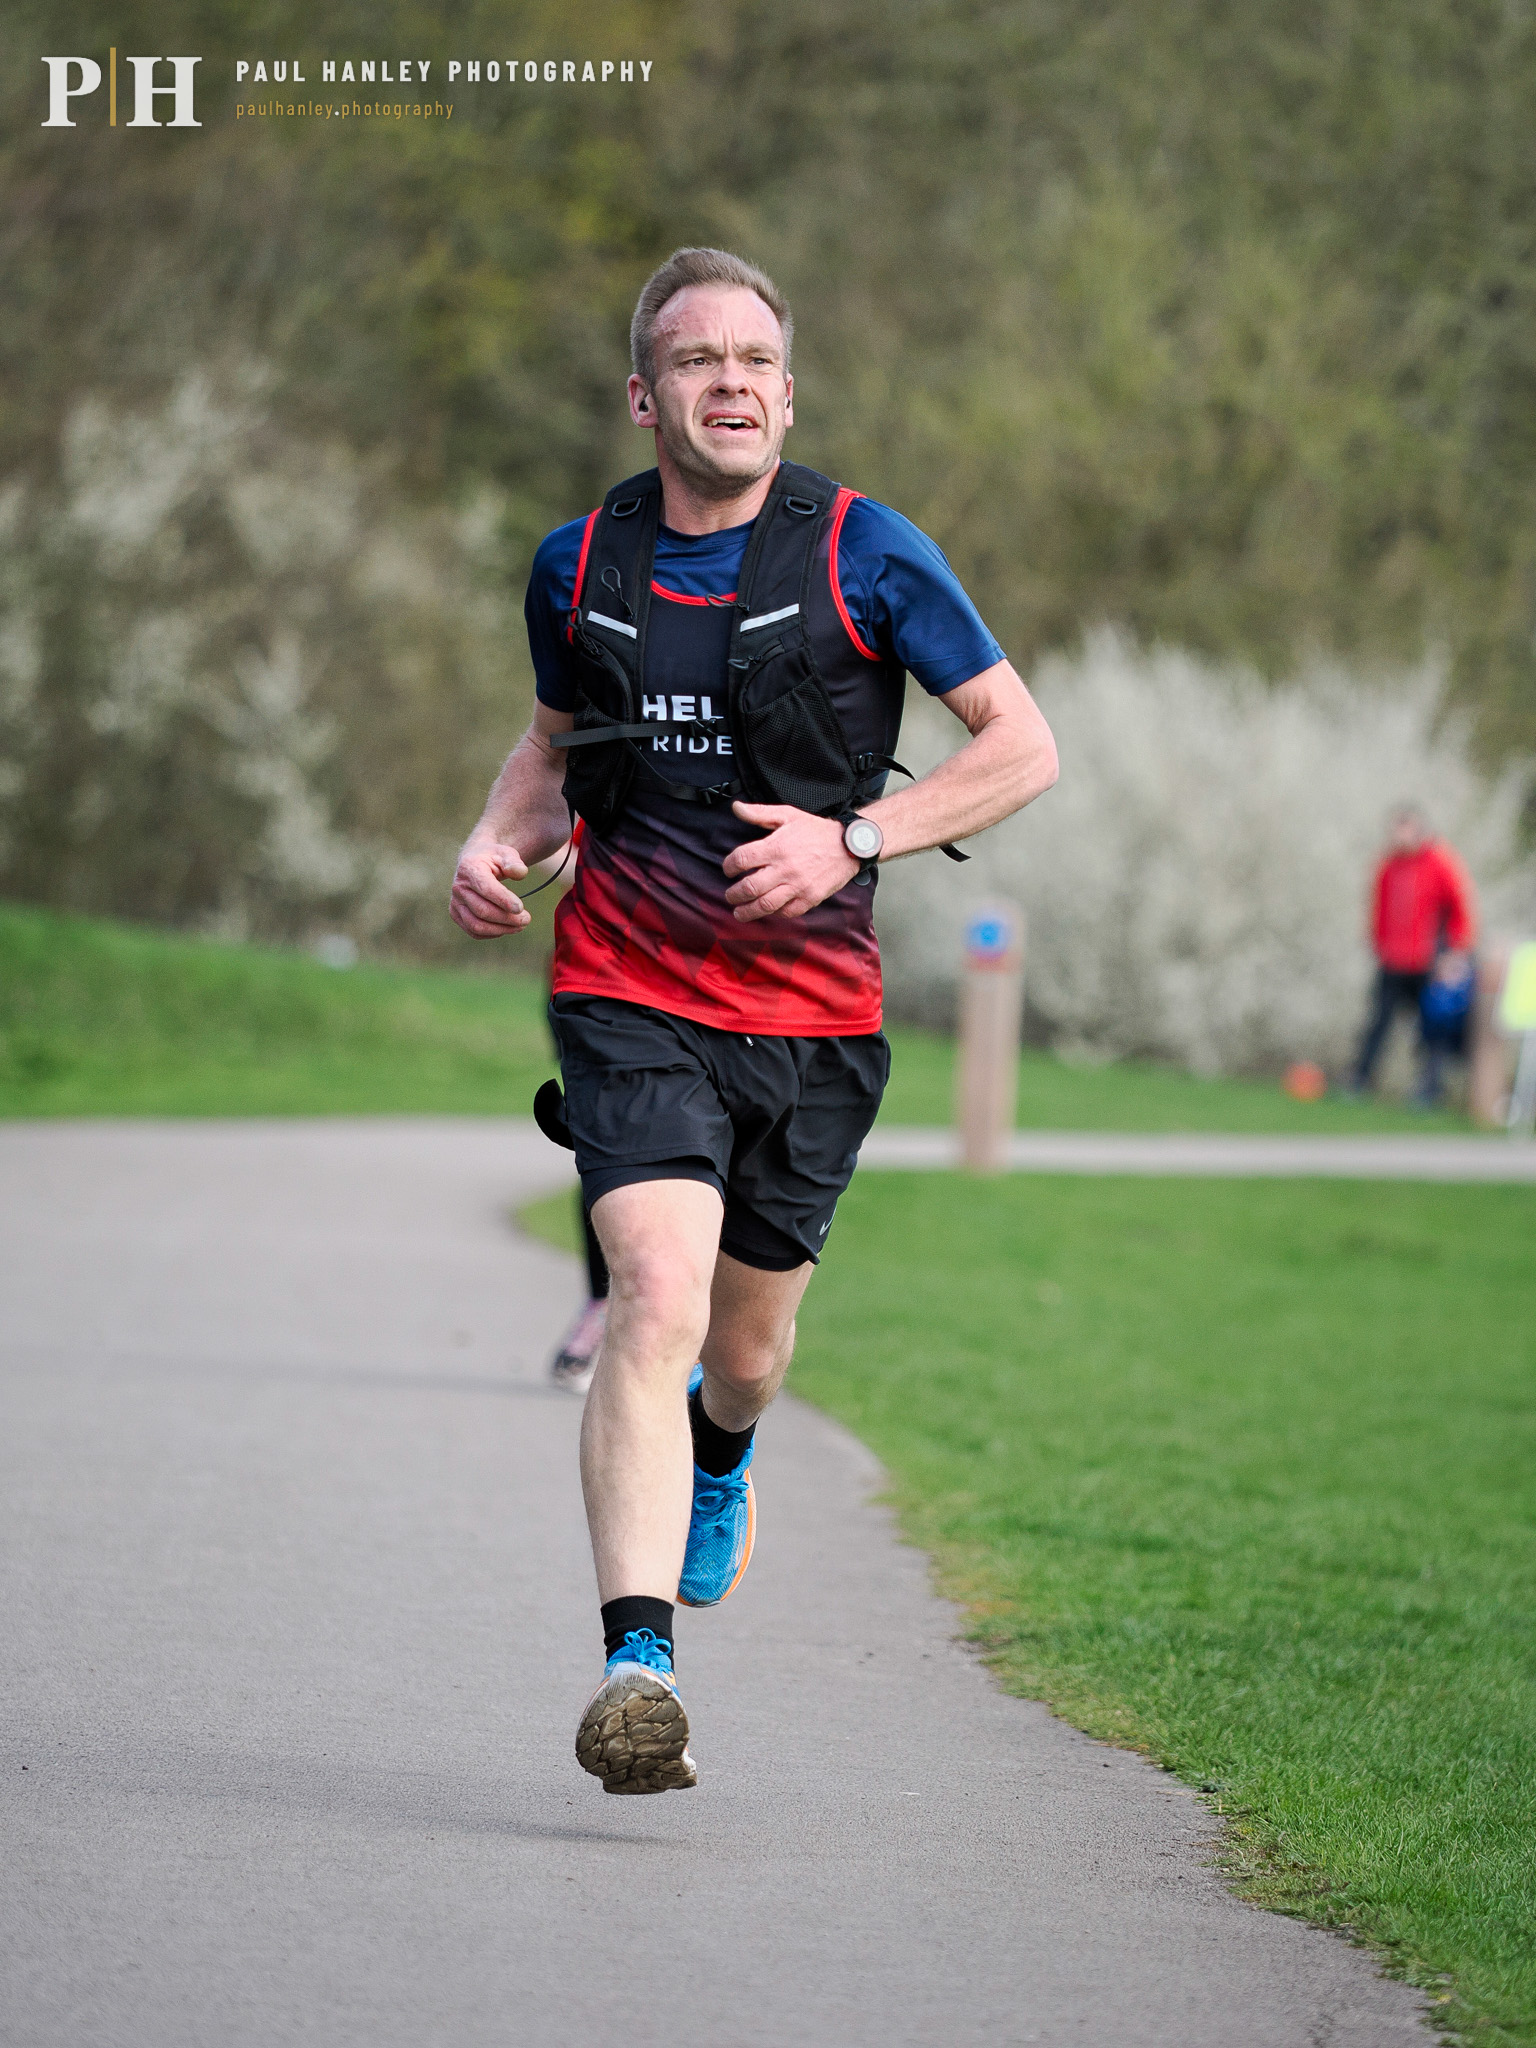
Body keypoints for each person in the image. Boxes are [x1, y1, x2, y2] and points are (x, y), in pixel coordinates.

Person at [450, 246, 1058, 1793]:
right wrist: (495, 837)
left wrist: (854, 838)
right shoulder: (578, 562)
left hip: (813, 1017)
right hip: (627, 986)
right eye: (697, 359)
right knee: (652, 1291)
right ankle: (637, 1663)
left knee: (748, 1348)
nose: (730, 382)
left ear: (789, 391)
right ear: (642, 395)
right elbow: (549, 744)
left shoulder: (869, 553)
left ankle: (726, 1453)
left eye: (755, 360)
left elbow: (1022, 747)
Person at [1351, 803, 1478, 1105]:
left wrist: (1455, 953)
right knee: (1378, 1022)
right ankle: (1360, 1079)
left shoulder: (1440, 862)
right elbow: (1379, 908)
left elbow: (1461, 909)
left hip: (1428, 962)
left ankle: (1429, 1088)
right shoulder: (1389, 864)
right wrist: (1378, 943)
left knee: (1430, 1029)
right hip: (1393, 960)